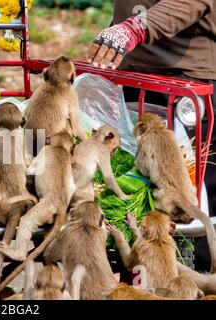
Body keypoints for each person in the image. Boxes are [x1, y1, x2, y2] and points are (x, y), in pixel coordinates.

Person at [88, 0, 216, 272]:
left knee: (191, 191)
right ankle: (134, 268)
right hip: (132, 72)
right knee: (133, 177)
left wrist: (134, 27)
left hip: (187, 77)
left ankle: (199, 279)